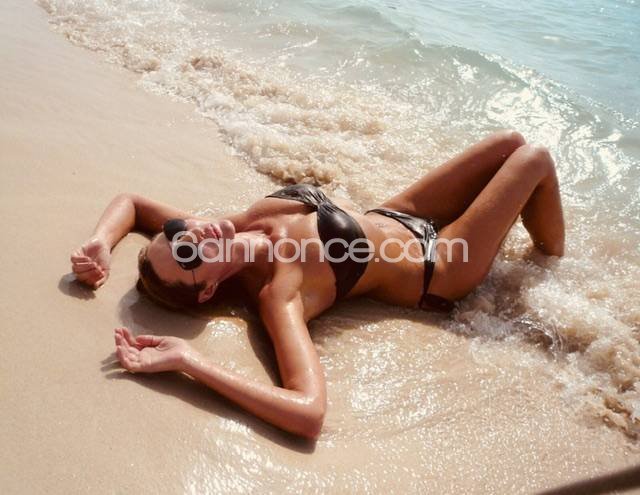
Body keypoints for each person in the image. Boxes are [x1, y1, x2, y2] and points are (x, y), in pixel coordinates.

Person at [70, 131, 564, 439]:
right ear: (206, 290)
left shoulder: (228, 226)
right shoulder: (279, 294)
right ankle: (558, 270)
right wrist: (189, 361)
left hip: (400, 214)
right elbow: (308, 412)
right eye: (188, 255)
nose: (191, 236)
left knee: (509, 142)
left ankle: (550, 254)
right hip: (441, 264)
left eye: (177, 232)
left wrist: (101, 242)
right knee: (534, 159)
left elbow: (132, 202)